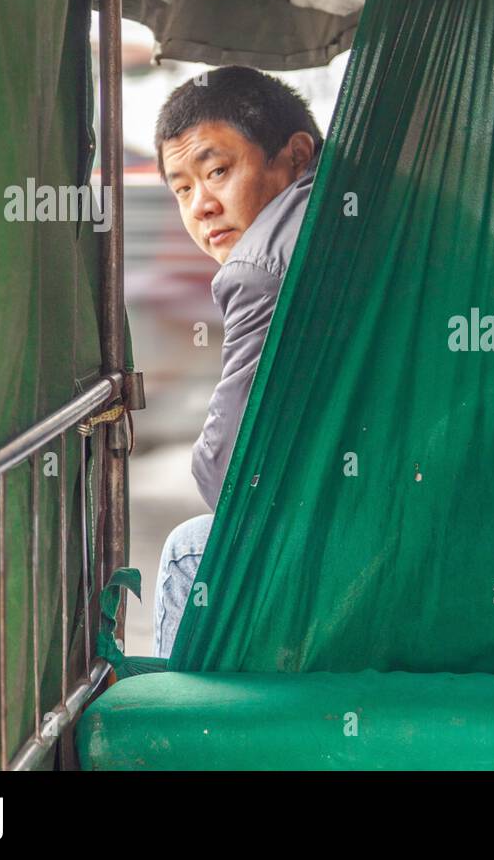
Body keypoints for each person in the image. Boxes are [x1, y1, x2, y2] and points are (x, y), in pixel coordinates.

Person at [149, 65, 321, 658]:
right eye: (182, 188)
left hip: (384, 537)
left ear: (295, 157)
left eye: (218, 171)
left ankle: (181, 743)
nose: (201, 206)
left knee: (190, 549)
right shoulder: (366, 212)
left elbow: (227, 477)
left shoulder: (262, 268)